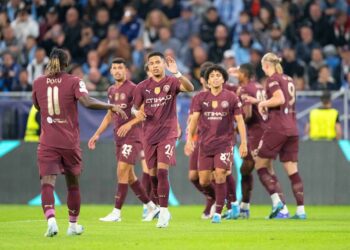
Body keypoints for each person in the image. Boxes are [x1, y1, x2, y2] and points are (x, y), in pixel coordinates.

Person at [32, 48, 126, 237]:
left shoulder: (38, 82)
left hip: (48, 141)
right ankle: (73, 225)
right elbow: (87, 102)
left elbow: (36, 106)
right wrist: (111, 106)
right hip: (69, 142)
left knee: (47, 183)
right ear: (66, 64)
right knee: (73, 185)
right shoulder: (74, 81)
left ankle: (51, 221)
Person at [127, 52, 194, 228]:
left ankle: (163, 211)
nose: (155, 65)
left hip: (168, 133)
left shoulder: (171, 82)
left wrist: (177, 73)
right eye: (152, 63)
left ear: (164, 65)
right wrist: (137, 113)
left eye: (158, 62)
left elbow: (190, 88)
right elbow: (133, 109)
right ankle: (159, 207)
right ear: (148, 67)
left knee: (163, 171)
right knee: (153, 175)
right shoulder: (141, 87)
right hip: (149, 134)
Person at [88, 58, 159, 222]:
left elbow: (143, 114)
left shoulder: (134, 89)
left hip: (133, 136)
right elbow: (109, 115)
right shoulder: (111, 90)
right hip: (118, 137)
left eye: (120, 67)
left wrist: (130, 124)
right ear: (111, 71)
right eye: (114, 68)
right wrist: (97, 134)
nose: (118, 70)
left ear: (126, 70)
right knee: (130, 176)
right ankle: (151, 207)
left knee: (121, 171)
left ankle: (116, 212)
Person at [186, 64, 248, 223]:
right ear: (206, 80)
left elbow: (240, 121)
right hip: (205, 145)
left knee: (221, 174)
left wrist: (243, 143)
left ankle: (218, 213)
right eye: (211, 76)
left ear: (223, 79)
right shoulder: (200, 98)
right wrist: (188, 140)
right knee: (204, 180)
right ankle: (230, 203)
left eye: (218, 75)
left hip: (224, 143)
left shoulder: (231, 97)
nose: (215, 78)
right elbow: (193, 121)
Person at [232, 63, 289, 218]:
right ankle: (244, 207)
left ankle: (281, 206)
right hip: (265, 130)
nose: (237, 76)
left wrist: (236, 127)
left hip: (256, 134)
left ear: (244, 74)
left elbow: (248, 114)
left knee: (263, 169)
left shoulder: (245, 89)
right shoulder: (259, 87)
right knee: (246, 169)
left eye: (238, 73)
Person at [254, 52, 306, 219]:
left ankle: (278, 204)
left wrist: (262, 103)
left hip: (278, 127)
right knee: (292, 170)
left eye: (263, 66)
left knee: (260, 165)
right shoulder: (289, 79)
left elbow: (279, 98)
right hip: (293, 129)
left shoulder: (272, 79)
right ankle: (301, 211)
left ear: (266, 66)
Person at [184, 61, 216, 219]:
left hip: (216, 140)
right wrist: (189, 139)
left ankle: (220, 204)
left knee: (215, 175)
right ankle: (214, 198)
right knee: (193, 177)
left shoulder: (221, 95)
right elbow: (191, 120)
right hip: (199, 139)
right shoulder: (197, 97)